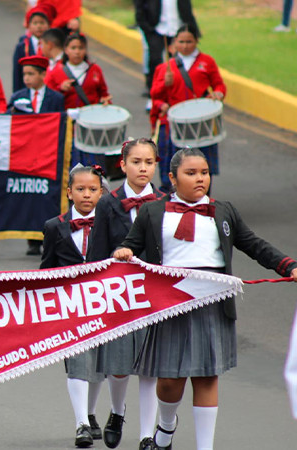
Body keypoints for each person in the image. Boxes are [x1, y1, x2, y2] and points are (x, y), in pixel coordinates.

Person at [113, 147, 297, 450]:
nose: (200, 179)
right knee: (170, 380)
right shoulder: (152, 212)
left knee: (206, 376)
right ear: (172, 178)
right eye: (191, 173)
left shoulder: (223, 211)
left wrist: (288, 265)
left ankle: (205, 447)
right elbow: (130, 245)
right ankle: (166, 429)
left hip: (212, 303)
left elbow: (254, 244)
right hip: (169, 304)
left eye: (205, 173)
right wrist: (124, 252)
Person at [86, 138, 165, 450]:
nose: (142, 168)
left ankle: (147, 434)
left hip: (155, 294)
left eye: (148, 162)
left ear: (156, 165)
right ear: (122, 165)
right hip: (118, 294)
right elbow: (96, 252)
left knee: (150, 367)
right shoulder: (108, 202)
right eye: (136, 162)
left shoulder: (165, 200)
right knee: (119, 364)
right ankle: (117, 412)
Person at [41, 164, 105, 449]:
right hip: (69, 306)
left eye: (93, 190)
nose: (87, 195)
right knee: (77, 362)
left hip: (103, 303)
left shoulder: (110, 225)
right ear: (69, 192)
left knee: (99, 365)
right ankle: (80, 423)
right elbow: (47, 269)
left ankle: (90, 413)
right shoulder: (54, 227)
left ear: (102, 193)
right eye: (80, 189)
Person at [151, 24, 225, 193]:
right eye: (181, 41)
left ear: (196, 41)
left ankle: (201, 197)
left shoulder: (207, 62)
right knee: (172, 166)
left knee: (201, 163)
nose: (185, 45)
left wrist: (219, 94)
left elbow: (219, 85)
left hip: (200, 123)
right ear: (174, 43)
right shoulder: (164, 67)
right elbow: (155, 95)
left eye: (189, 41)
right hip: (173, 124)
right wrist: (165, 84)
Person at [8, 55, 64, 257]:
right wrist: (13, 112)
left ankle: (48, 236)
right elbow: (7, 123)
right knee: (29, 195)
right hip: (25, 156)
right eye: (24, 74)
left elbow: (61, 124)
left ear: (43, 75)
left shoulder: (56, 98)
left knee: (46, 196)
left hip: (48, 155)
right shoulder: (18, 96)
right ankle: (32, 240)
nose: (26, 78)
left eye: (31, 74)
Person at [46, 33, 111, 167]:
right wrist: (60, 88)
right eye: (73, 48)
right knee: (70, 162)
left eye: (80, 48)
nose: (77, 52)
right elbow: (48, 99)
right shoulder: (56, 72)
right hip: (68, 126)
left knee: (93, 162)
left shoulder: (94, 69)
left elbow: (104, 94)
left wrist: (106, 101)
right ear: (66, 50)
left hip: (91, 124)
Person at [134, 0, 199, 94]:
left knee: (177, 63)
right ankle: (153, 92)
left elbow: (187, 8)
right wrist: (146, 28)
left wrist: (192, 29)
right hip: (156, 29)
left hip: (176, 29)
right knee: (155, 60)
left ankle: (178, 91)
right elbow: (139, 8)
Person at [12, 3, 54, 92]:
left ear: (49, 25)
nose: (39, 26)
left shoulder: (52, 46)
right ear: (29, 26)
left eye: (42, 23)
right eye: (35, 23)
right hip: (26, 90)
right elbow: (17, 74)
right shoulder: (22, 46)